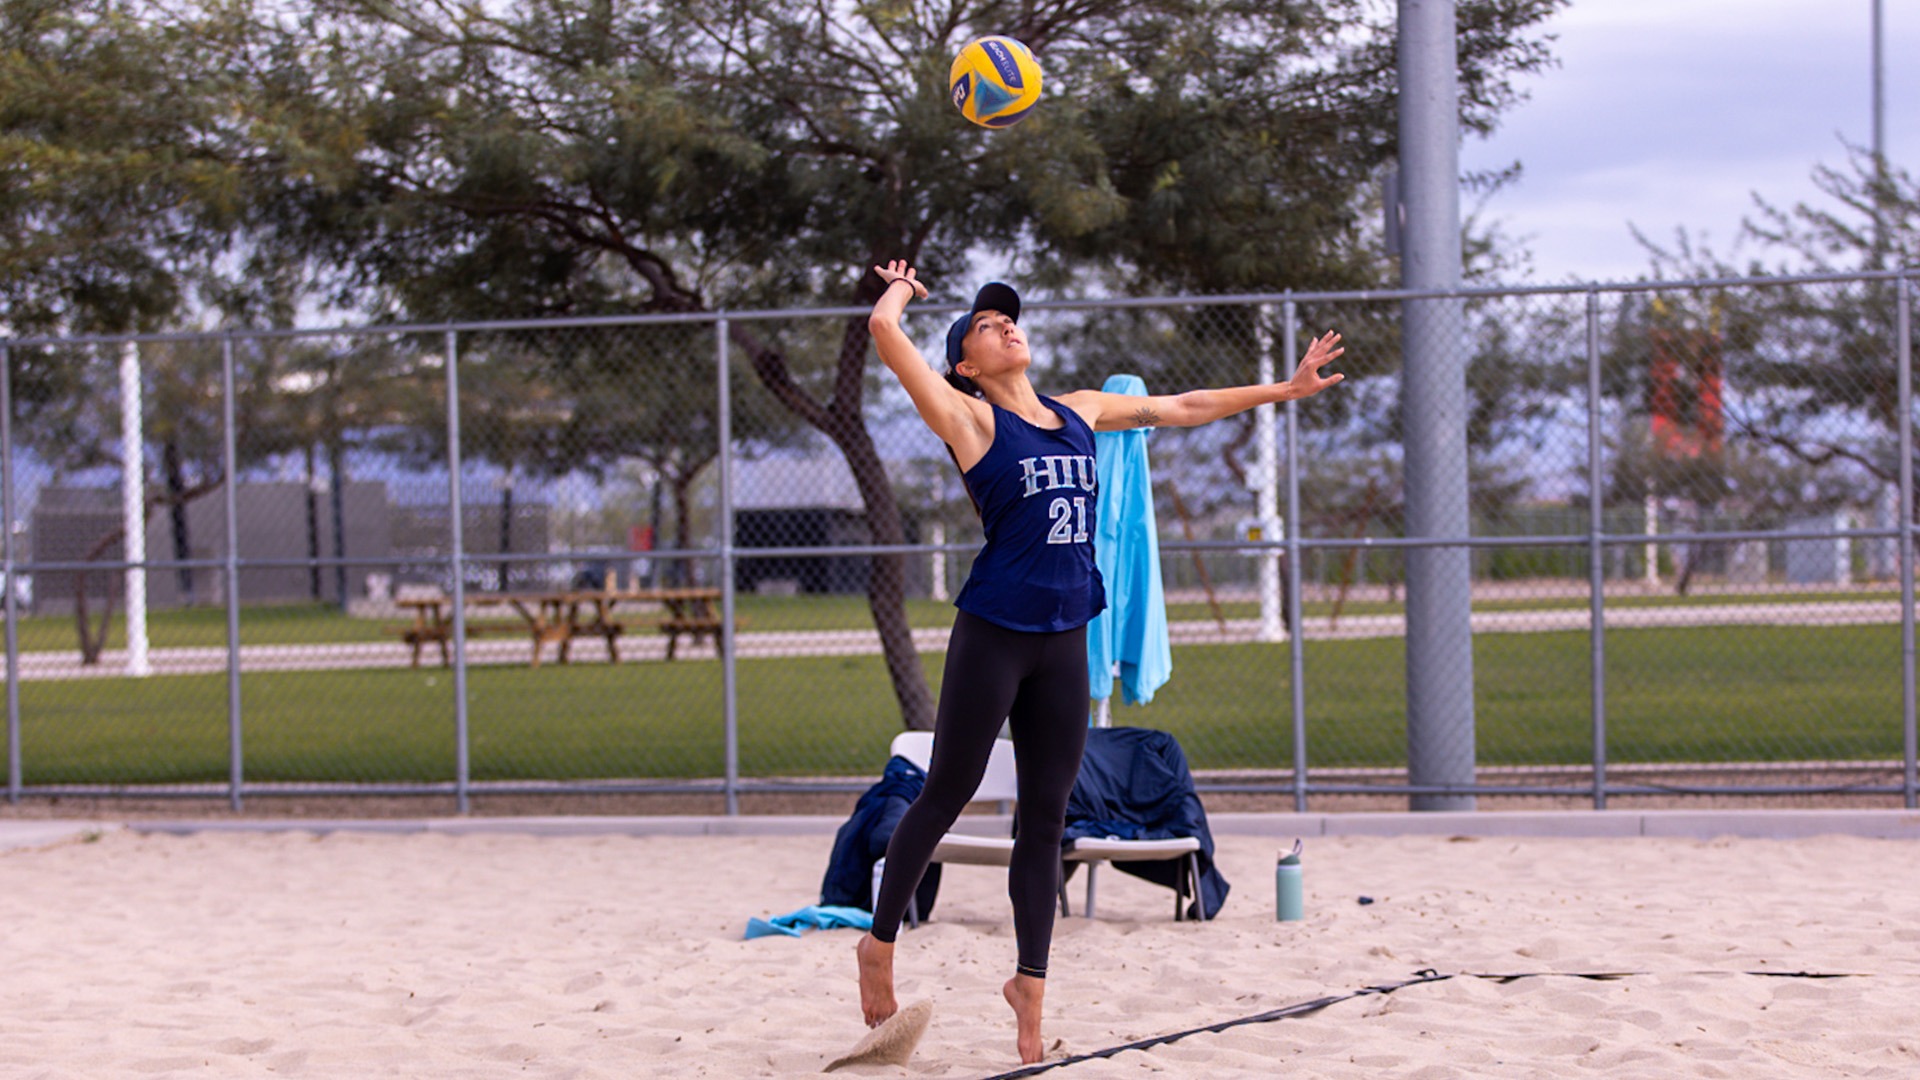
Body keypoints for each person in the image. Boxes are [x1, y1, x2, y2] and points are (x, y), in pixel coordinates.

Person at [855, 259, 1344, 1064]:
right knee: (948, 788)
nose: (1007, 324)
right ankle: (878, 944)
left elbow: (1182, 407)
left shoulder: (1077, 411)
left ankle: (1028, 995)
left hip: (1064, 638)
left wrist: (1282, 393)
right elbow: (882, 330)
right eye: (987, 324)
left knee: (1047, 819)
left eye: (1009, 317)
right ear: (966, 365)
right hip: (994, 633)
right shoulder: (968, 420)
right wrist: (904, 287)